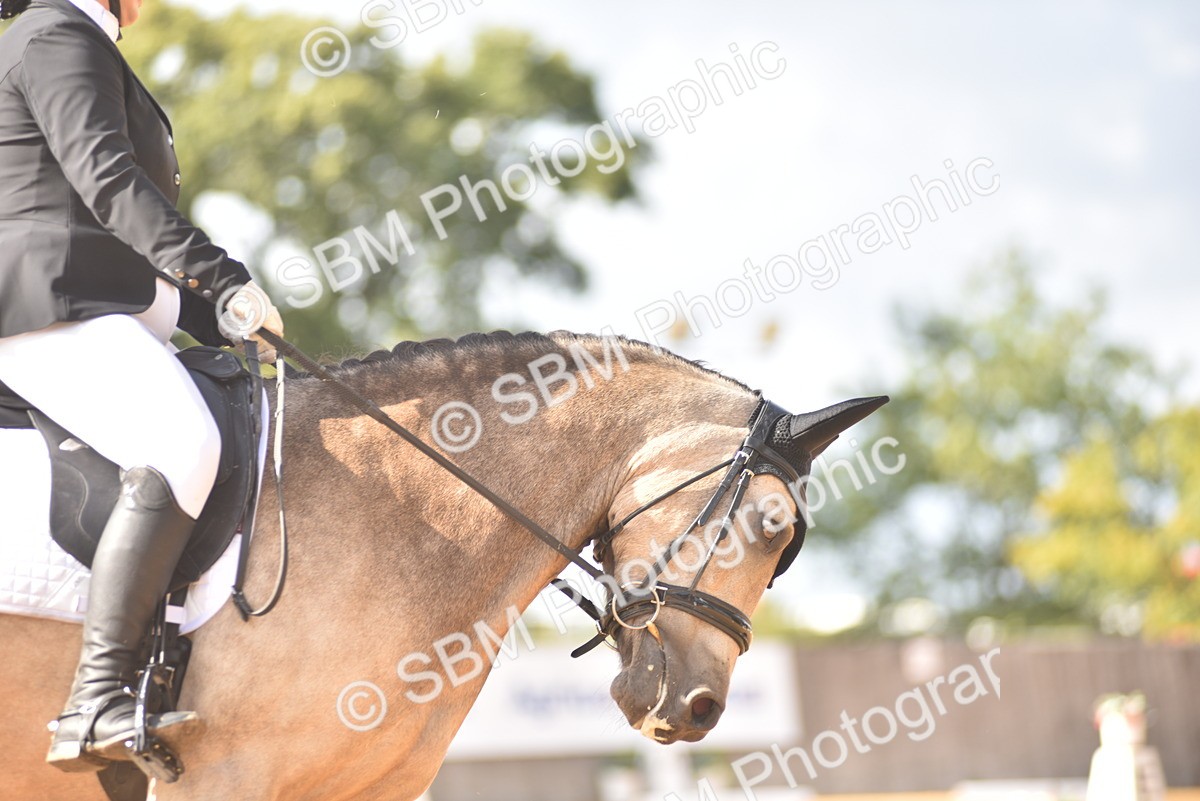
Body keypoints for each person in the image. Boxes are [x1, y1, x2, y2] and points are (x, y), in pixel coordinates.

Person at [0, 0, 284, 773]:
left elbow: (128, 254)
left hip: (94, 303)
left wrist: (223, 317)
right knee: (179, 439)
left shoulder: (80, 39)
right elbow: (109, 180)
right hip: (43, 305)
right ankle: (94, 699)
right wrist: (226, 279)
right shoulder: (54, 32)